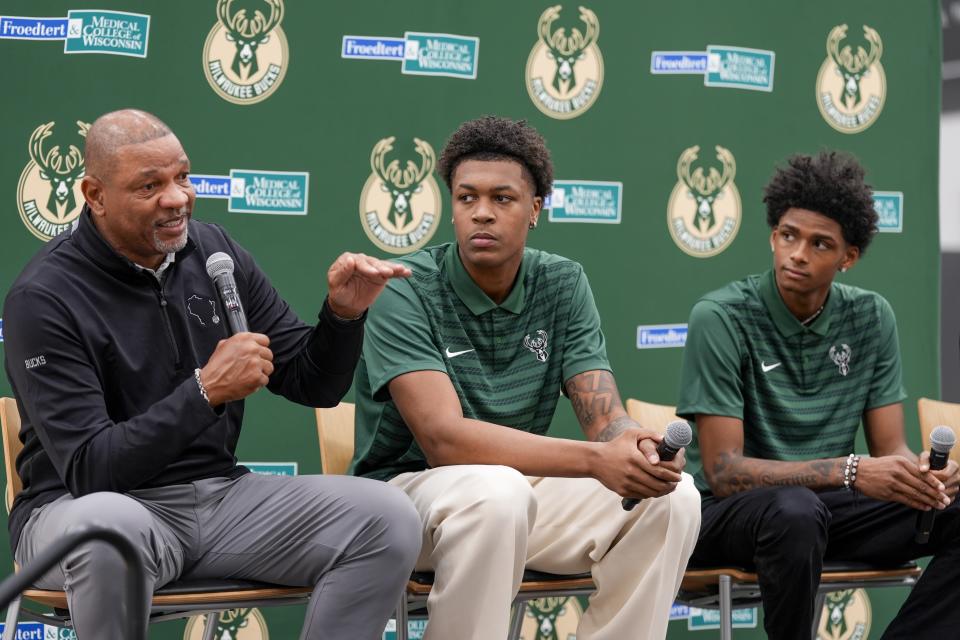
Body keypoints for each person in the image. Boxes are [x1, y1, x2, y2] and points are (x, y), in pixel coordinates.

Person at [2, 109, 422, 639]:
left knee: (386, 516)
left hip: (220, 499)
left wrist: (343, 316)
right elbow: (91, 472)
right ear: (95, 195)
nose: (177, 198)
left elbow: (311, 382)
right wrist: (203, 393)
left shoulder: (214, 252)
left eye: (182, 177)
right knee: (110, 529)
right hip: (81, 513)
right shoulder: (44, 297)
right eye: (150, 186)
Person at [351, 115, 700, 640]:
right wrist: (595, 461)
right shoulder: (404, 288)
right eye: (467, 198)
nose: (482, 213)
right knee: (497, 493)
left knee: (672, 498)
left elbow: (603, 416)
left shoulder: (561, 281)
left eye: (503, 199)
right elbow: (444, 441)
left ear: (535, 209)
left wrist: (633, 447)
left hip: (513, 498)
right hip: (405, 501)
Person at [678, 150, 960, 639]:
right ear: (773, 235)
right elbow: (724, 473)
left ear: (848, 257)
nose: (798, 254)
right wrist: (851, 471)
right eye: (788, 235)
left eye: (820, 243)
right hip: (732, 517)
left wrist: (918, 477)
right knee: (795, 511)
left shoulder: (872, 316)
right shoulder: (721, 316)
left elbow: (888, 448)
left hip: (831, 510)